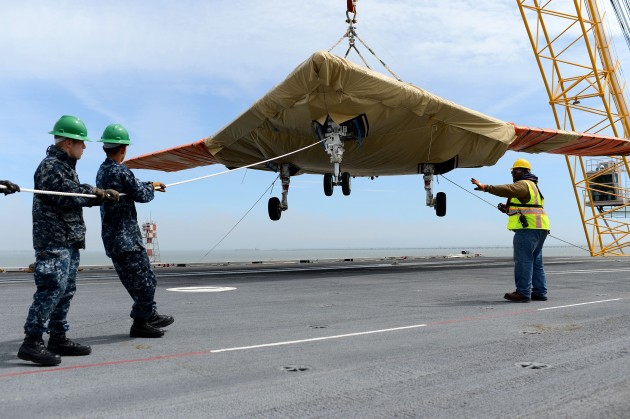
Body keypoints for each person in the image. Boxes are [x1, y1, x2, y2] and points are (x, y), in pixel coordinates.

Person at [18, 115, 120, 366]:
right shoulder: (50, 166)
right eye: (81, 143)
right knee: (51, 287)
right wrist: (96, 193)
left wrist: (97, 195)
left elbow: (75, 193)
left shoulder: (65, 167)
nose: (84, 147)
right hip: (54, 240)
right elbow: (67, 195)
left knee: (65, 290)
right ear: (68, 144)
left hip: (68, 239)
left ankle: (58, 337)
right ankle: (31, 342)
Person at [96, 123, 174, 338]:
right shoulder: (120, 170)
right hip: (127, 239)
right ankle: (140, 322)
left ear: (105, 148)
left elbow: (132, 186)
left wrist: (150, 183)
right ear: (123, 149)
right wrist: (152, 187)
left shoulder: (103, 171)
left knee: (137, 282)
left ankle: (149, 314)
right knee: (147, 282)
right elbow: (142, 195)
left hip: (113, 239)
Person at [471, 158, 550, 303]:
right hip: (540, 227)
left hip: (528, 229)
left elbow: (507, 189)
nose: (513, 173)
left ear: (525, 171)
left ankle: (523, 292)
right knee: (536, 261)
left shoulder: (524, 184)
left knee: (523, 261)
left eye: (516, 170)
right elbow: (527, 208)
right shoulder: (533, 186)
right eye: (512, 170)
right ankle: (539, 292)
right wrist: (507, 210)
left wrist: (485, 187)